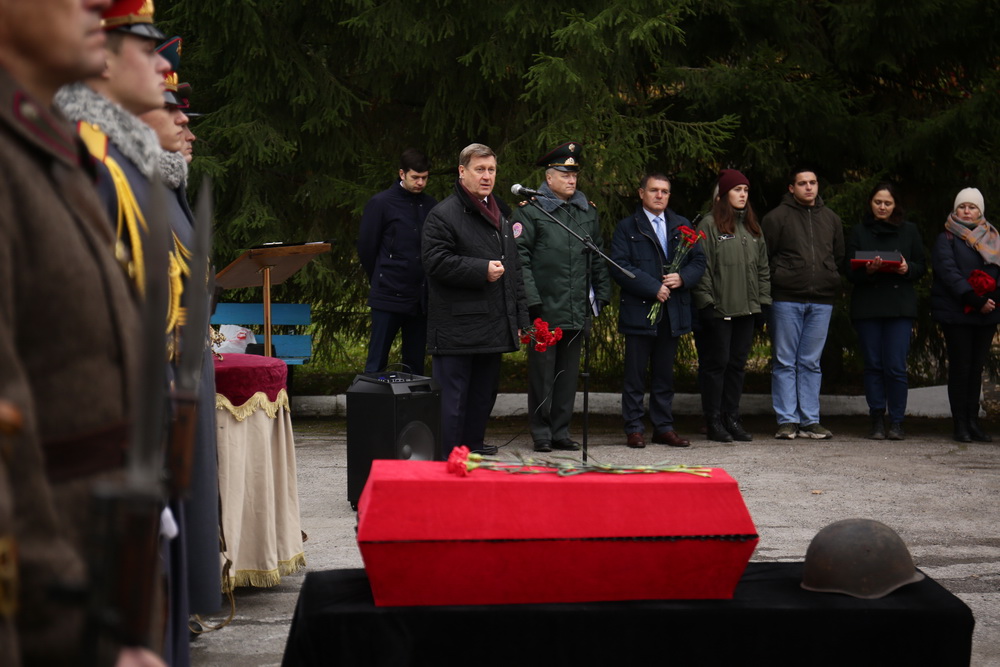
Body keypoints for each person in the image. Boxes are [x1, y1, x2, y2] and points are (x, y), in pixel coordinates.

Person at [0, 0, 165, 664]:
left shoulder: (49, 152)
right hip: (49, 619)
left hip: (100, 586)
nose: (99, 3)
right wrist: (70, 615)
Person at [139, 34, 224, 651]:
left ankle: (185, 608)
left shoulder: (169, 186)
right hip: (164, 371)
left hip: (186, 367)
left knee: (191, 498)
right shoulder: (135, 185)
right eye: (174, 114)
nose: (188, 128)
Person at [422, 143, 529, 457]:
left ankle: (471, 453)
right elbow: (435, 262)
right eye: (479, 169)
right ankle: (448, 459)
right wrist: (481, 269)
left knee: (483, 397)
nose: (487, 176)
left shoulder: (500, 214)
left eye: (491, 170)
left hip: (492, 325)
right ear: (462, 171)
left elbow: (515, 269)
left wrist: (521, 318)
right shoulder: (443, 215)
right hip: (457, 327)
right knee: (453, 402)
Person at [511, 141, 611, 452]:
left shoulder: (586, 212)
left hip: (576, 305)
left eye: (574, 175)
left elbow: (597, 254)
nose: (571, 180)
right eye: (564, 174)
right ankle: (541, 433)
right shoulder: (531, 212)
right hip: (544, 307)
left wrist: (602, 293)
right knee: (543, 374)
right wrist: (532, 301)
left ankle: (560, 431)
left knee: (568, 375)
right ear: (548, 177)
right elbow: (520, 258)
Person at [610, 173, 705, 449]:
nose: (659, 195)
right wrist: (653, 288)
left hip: (672, 312)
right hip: (640, 311)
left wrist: (682, 278)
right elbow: (620, 266)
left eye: (664, 191)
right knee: (635, 375)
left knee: (664, 374)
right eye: (654, 190)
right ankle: (634, 428)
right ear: (642, 193)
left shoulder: (681, 225)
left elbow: (699, 261)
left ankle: (663, 427)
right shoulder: (627, 227)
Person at [761, 167, 845, 440]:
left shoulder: (831, 219)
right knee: (785, 361)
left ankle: (810, 420)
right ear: (791, 188)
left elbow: (838, 255)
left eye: (813, 182)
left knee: (811, 362)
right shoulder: (776, 218)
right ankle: (787, 420)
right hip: (786, 298)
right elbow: (764, 257)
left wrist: (829, 276)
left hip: (821, 300)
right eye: (802, 183)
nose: (809, 187)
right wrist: (780, 278)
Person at [844, 182, 926, 440]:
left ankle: (897, 421)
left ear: (895, 205)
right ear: (870, 203)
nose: (882, 207)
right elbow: (848, 270)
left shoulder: (909, 230)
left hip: (899, 307)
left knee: (896, 366)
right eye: (877, 202)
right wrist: (868, 270)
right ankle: (877, 419)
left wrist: (907, 269)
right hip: (868, 306)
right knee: (873, 365)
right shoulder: (859, 231)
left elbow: (921, 265)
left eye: (887, 203)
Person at [693, 169, 771, 442]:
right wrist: (706, 304)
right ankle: (713, 419)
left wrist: (763, 303)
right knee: (717, 365)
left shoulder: (752, 228)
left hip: (747, 310)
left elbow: (763, 269)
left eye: (746, 190)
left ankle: (732, 417)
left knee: (737, 365)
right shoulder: (709, 225)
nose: (743, 194)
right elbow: (702, 268)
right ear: (724, 194)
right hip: (720, 310)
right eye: (737, 190)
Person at [358, 149, 437, 376]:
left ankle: (412, 400)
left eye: (424, 178)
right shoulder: (381, 203)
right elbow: (366, 248)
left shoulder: (430, 205)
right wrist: (382, 277)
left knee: (415, 363)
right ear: (402, 174)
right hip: (388, 295)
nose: (420, 183)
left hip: (419, 298)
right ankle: (372, 399)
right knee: (376, 361)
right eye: (415, 177)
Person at [930, 188, 1000, 443]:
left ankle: (973, 421)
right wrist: (973, 298)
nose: (967, 211)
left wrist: (991, 299)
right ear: (955, 209)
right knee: (961, 367)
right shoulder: (947, 238)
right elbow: (948, 271)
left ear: (980, 211)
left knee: (976, 368)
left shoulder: (993, 237)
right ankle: (960, 423)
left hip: (987, 312)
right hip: (957, 312)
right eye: (962, 206)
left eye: (972, 207)